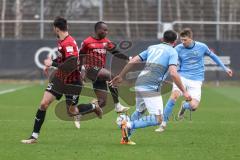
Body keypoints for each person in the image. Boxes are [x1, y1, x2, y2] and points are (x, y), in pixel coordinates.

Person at [21, 17, 102, 144]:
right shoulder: (62, 40)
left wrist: (51, 63)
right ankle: (34, 136)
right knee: (43, 104)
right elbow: (64, 61)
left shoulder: (68, 43)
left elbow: (71, 64)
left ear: (56, 28)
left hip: (73, 82)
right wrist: (52, 63)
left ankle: (93, 106)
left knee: (72, 112)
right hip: (60, 80)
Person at [110, 30, 192, 145]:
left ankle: (125, 137)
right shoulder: (173, 52)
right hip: (150, 85)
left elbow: (133, 60)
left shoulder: (152, 47)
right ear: (175, 42)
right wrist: (184, 91)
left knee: (140, 110)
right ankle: (127, 123)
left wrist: (121, 76)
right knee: (158, 119)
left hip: (139, 82)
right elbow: (173, 73)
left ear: (162, 39)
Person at [155, 28, 233, 132]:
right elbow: (169, 62)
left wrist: (225, 68)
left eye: (185, 40)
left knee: (193, 107)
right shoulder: (178, 48)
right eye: (181, 40)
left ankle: (184, 106)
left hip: (196, 80)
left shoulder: (202, 47)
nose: (183, 42)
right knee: (174, 95)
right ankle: (163, 124)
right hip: (182, 76)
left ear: (191, 38)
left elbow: (214, 57)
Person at [79, 21, 130, 114]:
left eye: (107, 30)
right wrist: (80, 70)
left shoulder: (106, 42)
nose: (106, 32)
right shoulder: (87, 42)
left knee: (102, 102)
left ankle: (79, 112)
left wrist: (128, 58)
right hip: (90, 70)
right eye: (104, 30)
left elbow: (116, 52)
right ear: (98, 30)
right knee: (111, 76)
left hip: (99, 72)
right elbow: (80, 56)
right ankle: (117, 106)